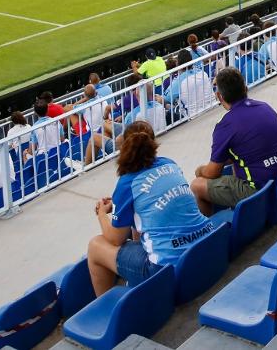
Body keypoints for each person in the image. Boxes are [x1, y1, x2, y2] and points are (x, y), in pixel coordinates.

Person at [87, 121, 214, 296]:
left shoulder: (126, 183)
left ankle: (107, 307)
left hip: (166, 270)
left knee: (95, 245)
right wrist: (120, 205)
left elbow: (115, 239)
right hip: (207, 247)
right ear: (154, 144)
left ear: (125, 146)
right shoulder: (170, 164)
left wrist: (102, 213)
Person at [190, 67, 277, 214]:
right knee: (234, 161)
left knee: (197, 184)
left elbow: (212, 173)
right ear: (245, 89)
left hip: (261, 192)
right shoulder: (265, 107)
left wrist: (200, 170)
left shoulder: (225, 125)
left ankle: (212, 232)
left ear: (219, 96)